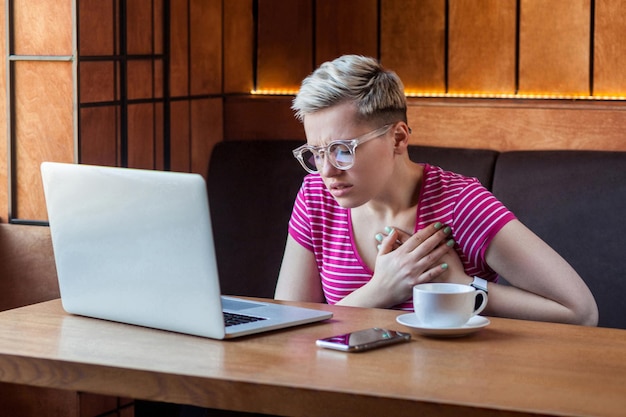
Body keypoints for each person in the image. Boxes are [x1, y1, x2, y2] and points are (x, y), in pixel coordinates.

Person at [274, 54, 598, 326]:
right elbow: (286, 325)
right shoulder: (316, 196)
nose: (327, 170)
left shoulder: (460, 204)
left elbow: (580, 313)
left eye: (343, 149)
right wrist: (382, 290)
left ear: (398, 139)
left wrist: (464, 288)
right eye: (316, 153)